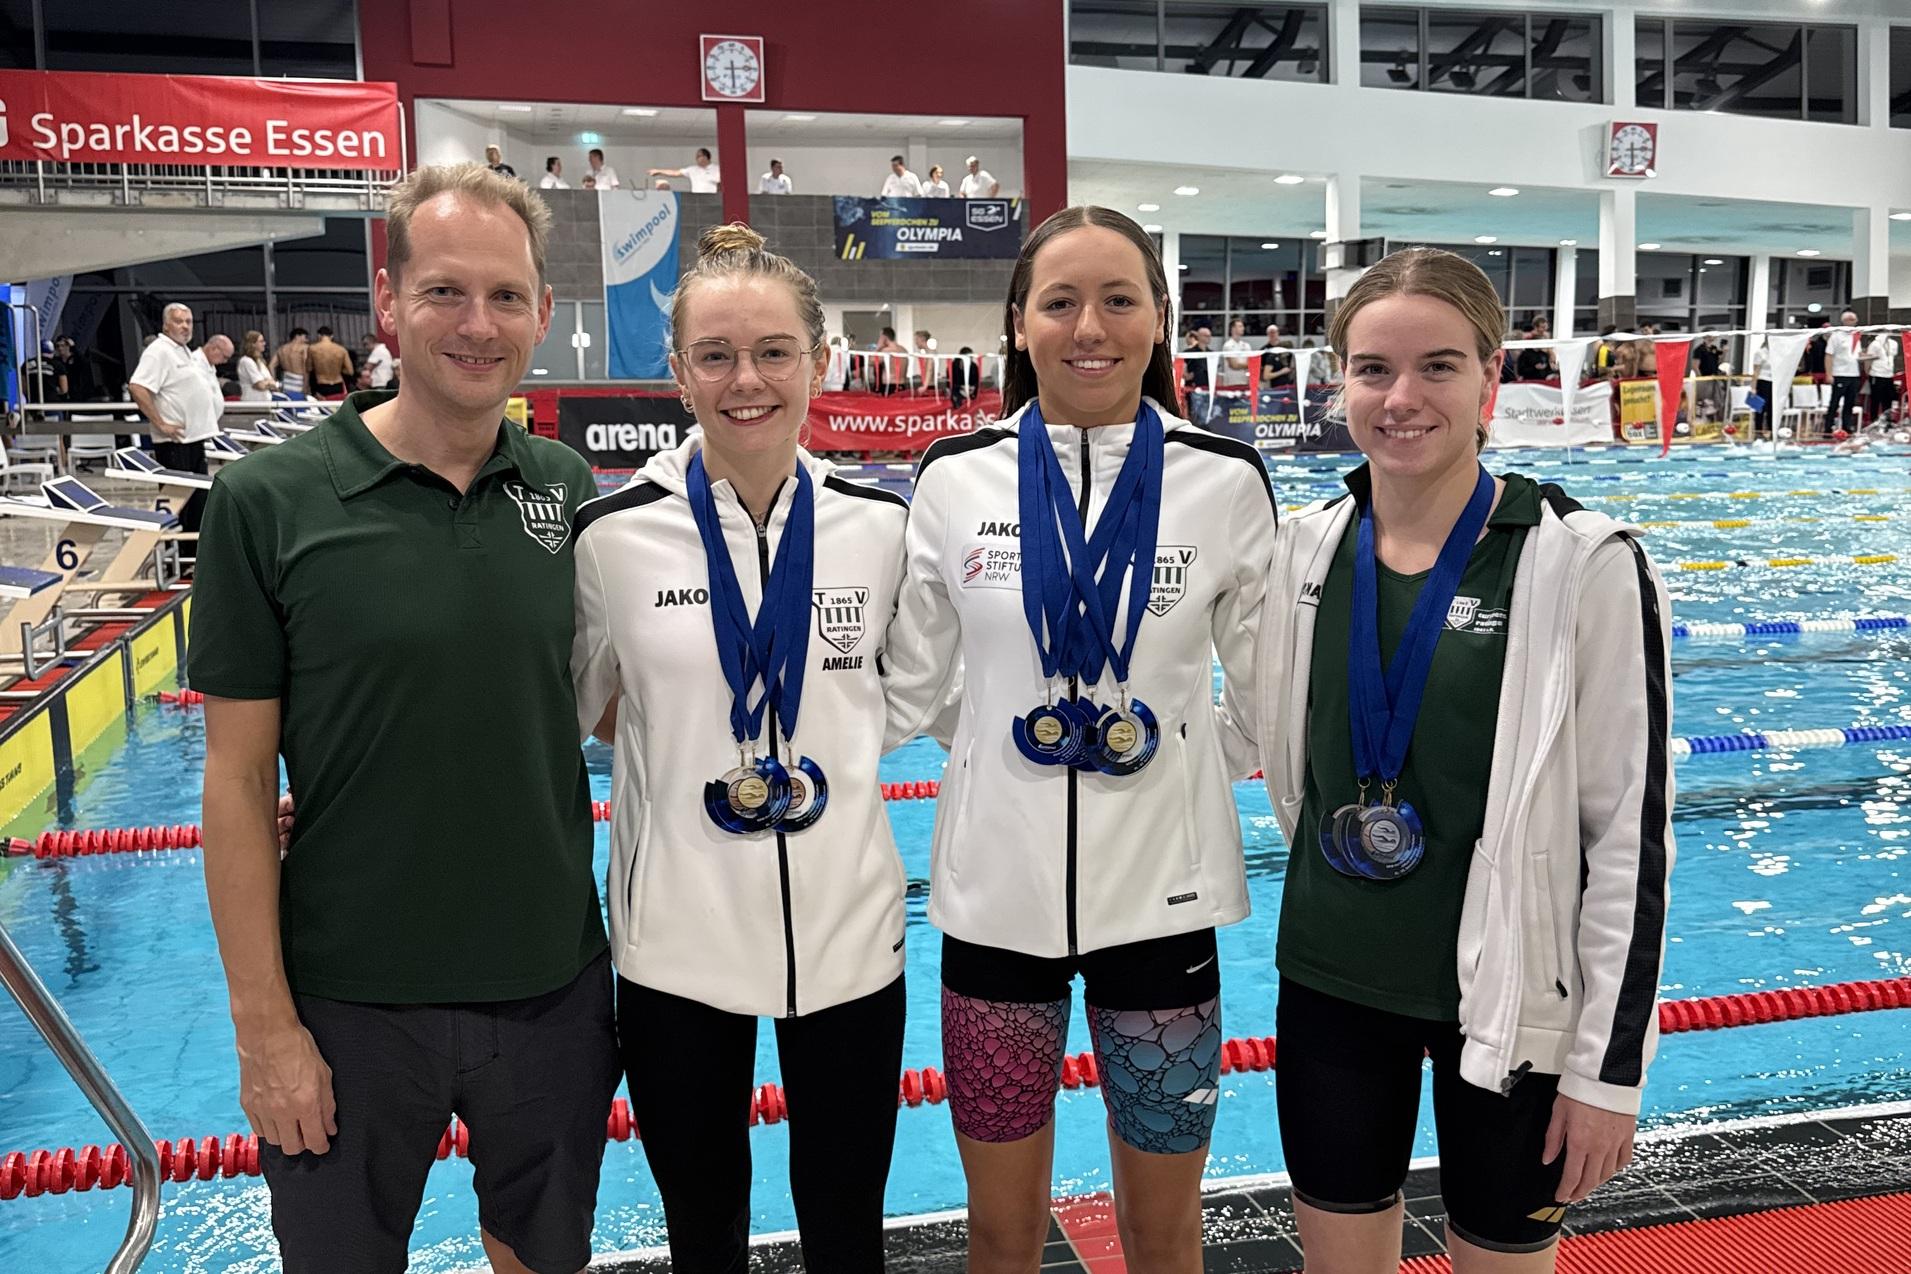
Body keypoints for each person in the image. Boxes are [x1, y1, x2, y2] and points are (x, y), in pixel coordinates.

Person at [190, 162, 619, 1274]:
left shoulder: (569, 493)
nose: (477, 325)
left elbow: (626, 709)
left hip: (552, 984)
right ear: (389, 299)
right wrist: (265, 1028)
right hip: (348, 1001)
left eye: (506, 296)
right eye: (444, 292)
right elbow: (236, 781)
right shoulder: (267, 503)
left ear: (543, 312)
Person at [1252, 246, 1674, 1274]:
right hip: (1333, 982)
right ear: (1338, 381)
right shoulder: (1302, 548)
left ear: (1490, 380)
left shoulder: (1582, 562)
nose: (1401, 398)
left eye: (1437, 366)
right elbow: (1260, 742)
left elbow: (1629, 833)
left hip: (1517, 1005)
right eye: (1372, 369)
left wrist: (1607, 1075)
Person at [882, 205, 1275, 1273]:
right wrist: (1005, 741)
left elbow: (1272, 683)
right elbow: (911, 681)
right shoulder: (955, 474)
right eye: (1060, 301)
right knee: (1000, 1231)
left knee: (1164, 1230)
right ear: (1019, 323)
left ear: (1158, 320)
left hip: (1166, 903)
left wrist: (1189, 752)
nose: (1088, 325)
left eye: (1118, 298)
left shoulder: (1225, 479)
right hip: (996, 907)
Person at [573, 220, 911, 1274]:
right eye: (715, 355)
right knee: (703, 1228)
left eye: (773, 352)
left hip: (850, 932)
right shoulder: (612, 535)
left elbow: (912, 696)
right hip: (676, 944)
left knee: (848, 1224)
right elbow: (586, 704)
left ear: (820, 362)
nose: (746, 379)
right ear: (678, 373)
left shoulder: (881, 524)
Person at [128, 308, 226, 531]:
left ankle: (193, 555)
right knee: (181, 507)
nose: (185, 326)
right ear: (165, 325)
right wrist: (161, 423)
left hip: (192, 439)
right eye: (179, 321)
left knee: (198, 503)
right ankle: (179, 558)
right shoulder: (159, 351)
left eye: (189, 322)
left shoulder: (182, 351)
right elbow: (137, 386)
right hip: (175, 443)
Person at [1824, 309, 1864, 435]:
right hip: (1840, 374)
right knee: (1834, 402)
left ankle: (1847, 426)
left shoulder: (1857, 336)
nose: (1851, 322)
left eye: (1853, 320)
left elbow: (1857, 355)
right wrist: (1829, 374)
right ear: (1843, 321)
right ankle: (1828, 426)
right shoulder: (1836, 335)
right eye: (1849, 320)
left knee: (1850, 403)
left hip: (1854, 374)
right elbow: (1828, 355)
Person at [306, 326, 354, 398]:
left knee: (322, 408)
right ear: (332, 336)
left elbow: (308, 368)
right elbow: (350, 371)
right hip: (338, 385)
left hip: (321, 384)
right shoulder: (342, 349)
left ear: (319, 336)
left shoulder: (312, 349)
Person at [649, 148, 720, 194]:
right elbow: (675, 173)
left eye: (698, 156)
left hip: (712, 199)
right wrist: (658, 171)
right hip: (697, 199)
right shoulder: (692, 169)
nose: (696, 158)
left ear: (705, 157)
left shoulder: (717, 169)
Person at [1864, 329, 1898, 425]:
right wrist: (1868, 372)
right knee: (1875, 398)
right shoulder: (1875, 344)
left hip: (1888, 374)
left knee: (1888, 398)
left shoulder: (1894, 343)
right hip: (1876, 374)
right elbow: (1868, 358)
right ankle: (1873, 419)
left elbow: (1892, 357)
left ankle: (1887, 420)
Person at [236, 330, 279, 402]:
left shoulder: (260, 362)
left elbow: (271, 382)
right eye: (261, 341)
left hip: (265, 401)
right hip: (252, 402)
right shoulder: (246, 361)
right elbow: (260, 385)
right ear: (252, 344)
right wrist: (268, 383)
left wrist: (267, 382)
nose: (264, 344)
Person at [272, 328, 310, 396]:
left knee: (287, 403)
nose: (307, 340)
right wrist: (306, 386)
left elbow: (271, 365)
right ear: (297, 336)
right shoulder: (304, 348)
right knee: (300, 404)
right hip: (300, 380)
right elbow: (305, 366)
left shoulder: (282, 348)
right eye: (305, 337)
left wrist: (274, 383)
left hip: (286, 380)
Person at [1219, 317, 1251, 389]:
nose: (1243, 328)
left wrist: (1247, 364)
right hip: (1231, 382)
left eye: (1242, 326)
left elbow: (1250, 362)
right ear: (1233, 329)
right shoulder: (1228, 345)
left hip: (1244, 381)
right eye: (1240, 326)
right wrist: (1248, 365)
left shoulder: (1246, 345)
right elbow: (1234, 365)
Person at [1262, 323, 1294, 389]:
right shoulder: (1267, 352)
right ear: (1268, 334)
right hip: (1273, 385)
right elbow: (1265, 374)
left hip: (1289, 385)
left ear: (1278, 333)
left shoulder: (1287, 353)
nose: (1272, 334)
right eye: (1271, 333)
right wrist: (1281, 372)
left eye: (1274, 332)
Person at [949, 344, 977, 409]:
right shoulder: (953, 366)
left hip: (970, 391)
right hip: (957, 391)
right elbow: (951, 383)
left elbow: (976, 381)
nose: (970, 360)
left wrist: (973, 387)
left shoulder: (974, 366)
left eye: (971, 358)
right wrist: (961, 387)